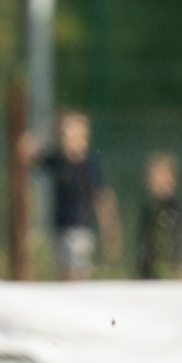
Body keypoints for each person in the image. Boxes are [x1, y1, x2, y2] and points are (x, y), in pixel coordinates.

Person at [38, 111, 116, 281]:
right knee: (63, 276)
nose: (66, 138)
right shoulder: (57, 161)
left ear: (83, 137)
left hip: (80, 229)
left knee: (76, 276)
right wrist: (48, 132)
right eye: (63, 133)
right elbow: (25, 150)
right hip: (59, 229)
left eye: (71, 133)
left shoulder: (89, 167)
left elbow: (101, 199)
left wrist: (109, 230)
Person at [137, 151, 182, 279]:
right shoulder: (148, 207)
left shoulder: (174, 206)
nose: (158, 183)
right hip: (149, 265)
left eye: (162, 178)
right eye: (154, 179)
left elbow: (179, 237)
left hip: (170, 263)